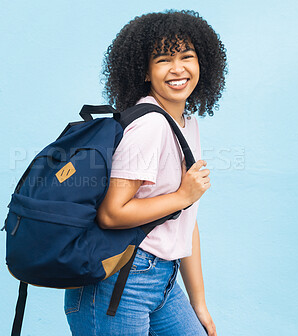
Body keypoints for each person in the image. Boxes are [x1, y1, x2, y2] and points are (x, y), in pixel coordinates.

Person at [64, 9, 227, 336]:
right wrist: (183, 194)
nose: (178, 68)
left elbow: (185, 219)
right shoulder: (151, 125)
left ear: (202, 64)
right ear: (145, 72)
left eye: (187, 56)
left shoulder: (186, 124)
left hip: (163, 279)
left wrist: (199, 303)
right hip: (120, 279)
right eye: (164, 59)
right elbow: (111, 214)